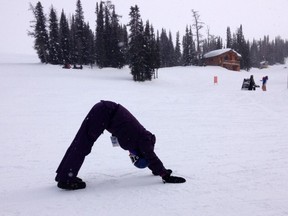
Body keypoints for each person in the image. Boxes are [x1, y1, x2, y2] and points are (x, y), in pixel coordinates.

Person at [55, 100, 186, 190]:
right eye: (135, 158)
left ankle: (64, 175)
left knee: (80, 142)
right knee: (82, 145)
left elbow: (148, 156)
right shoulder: (144, 140)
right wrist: (164, 174)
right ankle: (66, 178)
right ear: (140, 155)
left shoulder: (141, 143)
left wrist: (155, 171)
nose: (132, 156)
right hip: (105, 112)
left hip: (104, 111)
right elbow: (150, 156)